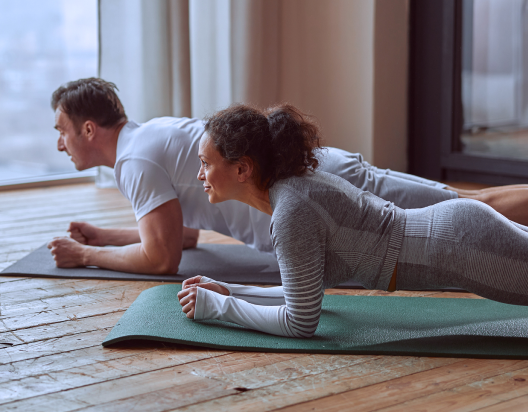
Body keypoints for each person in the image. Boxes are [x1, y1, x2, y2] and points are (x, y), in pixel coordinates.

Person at [47, 77, 528, 274]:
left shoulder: (135, 161)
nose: (59, 143)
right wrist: (107, 236)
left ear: (89, 129)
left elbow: (161, 259)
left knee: (474, 212)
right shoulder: (148, 139)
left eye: (62, 131)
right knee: (473, 209)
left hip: (331, 192)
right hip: (328, 186)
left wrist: (88, 254)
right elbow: (185, 234)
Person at [177, 103, 528, 338]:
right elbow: (303, 293)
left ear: (242, 169)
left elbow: (300, 322)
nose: (199, 175)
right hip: (458, 234)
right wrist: (229, 290)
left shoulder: (291, 212)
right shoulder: (293, 192)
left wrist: (220, 308)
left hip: (459, 246)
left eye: (206, 163)